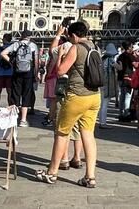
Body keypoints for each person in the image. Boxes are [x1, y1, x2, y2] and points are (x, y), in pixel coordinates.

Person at [36, 21, 101, 188]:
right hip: (94, 97)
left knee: (62, 133)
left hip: (77, 96)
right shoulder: (95, 47)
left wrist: (61, 58)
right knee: (88, 134)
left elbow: (60, 71)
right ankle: (90, 177)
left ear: (73, 35)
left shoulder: (76, 47)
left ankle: (52, 172)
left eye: (70, 37)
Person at [1, 29, 39, 126]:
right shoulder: (33, 45)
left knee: (15, 93)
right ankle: (23, 120)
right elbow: (36, 61)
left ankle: (13, 118)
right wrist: (36, 73)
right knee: (26, 94)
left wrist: (12, 62)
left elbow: (3, 53)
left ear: (22, 36)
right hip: (28, 73)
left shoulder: (16, 44)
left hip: (17, 72)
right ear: (29, 37)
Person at [99, 43, 119, 129]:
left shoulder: (102, 59)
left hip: (101, 83)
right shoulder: (111, 60)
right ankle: (103, 123)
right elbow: (119, 68)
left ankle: (101, 121)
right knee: (105, 104)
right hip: (108, 84)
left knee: (101, 104)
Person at [116, 42, 137, 121]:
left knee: (122, 96)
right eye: (132, 47)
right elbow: (135, 65)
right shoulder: (130, 56)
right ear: (129, 48)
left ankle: (121, 113)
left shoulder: (120, 56)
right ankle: (126, 113)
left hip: (120, 77)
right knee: (127, 96)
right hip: (128, 77)